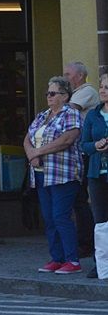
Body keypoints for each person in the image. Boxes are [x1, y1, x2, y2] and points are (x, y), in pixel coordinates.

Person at [24, 77, 83, 274]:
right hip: (41, 174)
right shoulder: (43, 116)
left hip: (63, 173)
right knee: (48, 218)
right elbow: (28, 138)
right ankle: (56, 258)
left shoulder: (71, 114)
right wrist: (31, 154)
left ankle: (72, 260)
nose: (48, 97)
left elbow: (67, 140)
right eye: (47, 93)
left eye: (53, 93)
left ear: (65, 96)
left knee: (61, 216)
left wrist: (38, 152)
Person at [64, 61, 99, 259]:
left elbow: (68, 110)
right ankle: (84, 241)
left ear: (78, 76)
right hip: (78, 151)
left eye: (68, 74)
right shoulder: (77, 92)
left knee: (80, 198)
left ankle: (87, 243)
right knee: (78, 198)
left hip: (86, 152)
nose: (66, 78)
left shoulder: (87, 91)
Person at [81, 72, 108, 278]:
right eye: (101, 86)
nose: (102, 90)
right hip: (97, 174)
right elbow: (83, 144)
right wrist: (95, 145)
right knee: (100, 221)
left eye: (107, 87)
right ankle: (101, 264)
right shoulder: (93, 115)